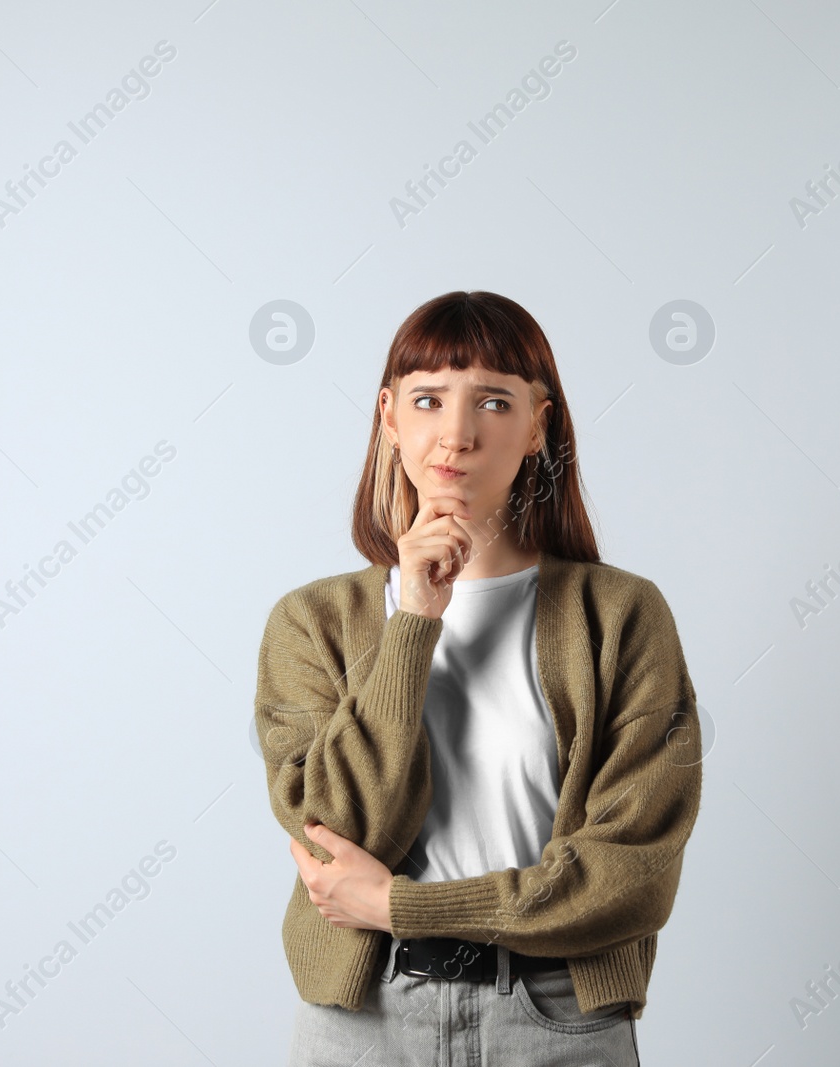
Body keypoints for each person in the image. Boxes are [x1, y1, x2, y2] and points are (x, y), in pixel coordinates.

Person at [254, 290, 704, 1066]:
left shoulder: (623, 615)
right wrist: (415, 618)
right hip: (365, 1020)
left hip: (557, 1017)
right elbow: (334, 828)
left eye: (493, 401)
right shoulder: (313, 622)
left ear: (538, 425)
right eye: (429, 399)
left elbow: (630, 874)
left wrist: (400, 904)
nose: (457, 434)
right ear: (390, 417)